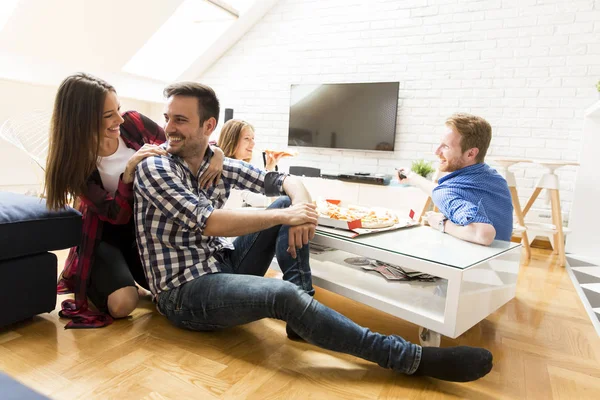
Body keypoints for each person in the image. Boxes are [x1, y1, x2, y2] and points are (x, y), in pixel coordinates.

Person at [133, 81, 494, 382]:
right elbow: (208, 221)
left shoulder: (215, 163)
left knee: (283, 211)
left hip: (220, 264)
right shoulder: (156, 168)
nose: (169, 128)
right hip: (184, 293)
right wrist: (286, 217)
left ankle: (301, 314)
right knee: (282, 290)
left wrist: (300, 211)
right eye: (168, 118)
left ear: (208, 126)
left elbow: (284, 179)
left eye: (180, 120)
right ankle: (409, 358)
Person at [44, 73, 224, 329]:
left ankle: (127, 275)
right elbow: (116, 215)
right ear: (82, 121)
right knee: (122, 306)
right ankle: (105, 279)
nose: (119, 118)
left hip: (146, 231)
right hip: (106, 236)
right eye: (109, 115)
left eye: (117, 109)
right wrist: (127, 174)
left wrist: (216, 151)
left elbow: (179, 142)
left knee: (171, 287)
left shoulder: (133, 123)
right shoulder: (76, 165)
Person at [398, 113, 513, 246]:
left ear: (471, 153)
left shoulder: (447, 193)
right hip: (502, 262)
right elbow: (442, 192)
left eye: (446, 146)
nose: (437, 151)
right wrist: (411, 176)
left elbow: (484, 234)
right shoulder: (494, 178)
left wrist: (441, 223)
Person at [217, 118, 285, 171]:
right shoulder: (233, 168)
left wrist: (269, 167)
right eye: (247, 138)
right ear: (231, 141)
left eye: (253, 138)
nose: (253, 143)